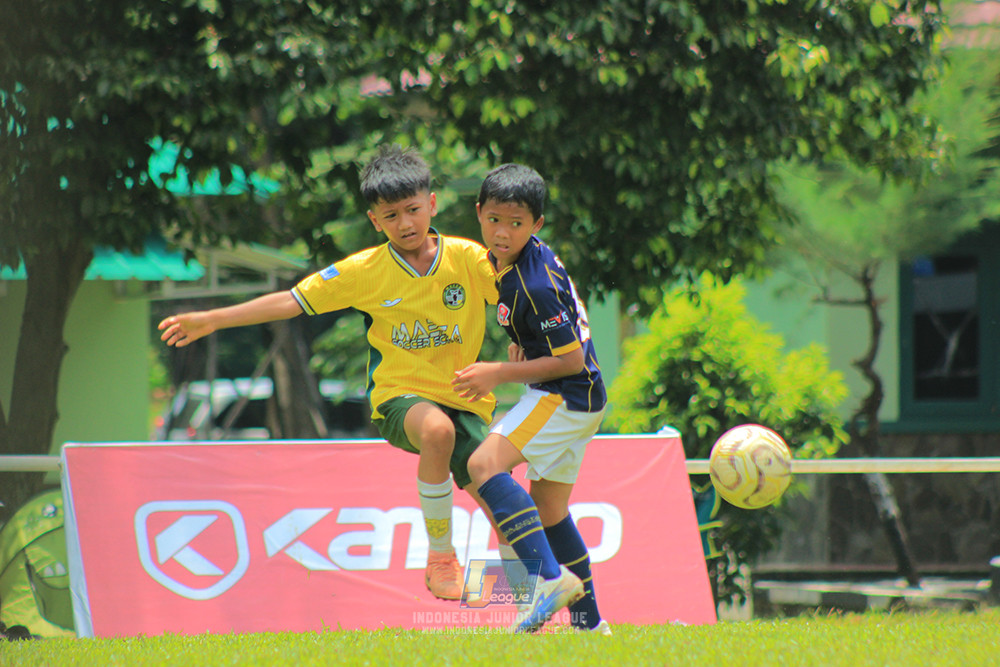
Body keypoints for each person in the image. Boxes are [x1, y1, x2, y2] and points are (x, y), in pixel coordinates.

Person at [158, 144, 499, 601]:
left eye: (414, 210)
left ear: (432, 204)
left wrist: (520, 341)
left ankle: (531, 605)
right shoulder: (364, 271)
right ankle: (441, 558)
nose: (405, 223)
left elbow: (515, 301)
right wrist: (214, 318)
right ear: (375, 221)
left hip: (467, 400)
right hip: (401, 399)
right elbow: (291, 301)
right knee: (437, 431)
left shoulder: (468, 257)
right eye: (391, 215)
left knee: (508, 509)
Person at [452, 163, 610, 634]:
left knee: (483, 467)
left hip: (564, 395)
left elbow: (569, 360)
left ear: (536, 225)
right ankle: (589, 625)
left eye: (516, 224)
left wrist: (498, 372)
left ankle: (545, 580)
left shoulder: (531, 283)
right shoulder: (520, 262)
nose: (503, 232)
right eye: (495, 219)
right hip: (585, 399)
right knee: (550, 509)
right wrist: (524, 347)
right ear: (478, 213)